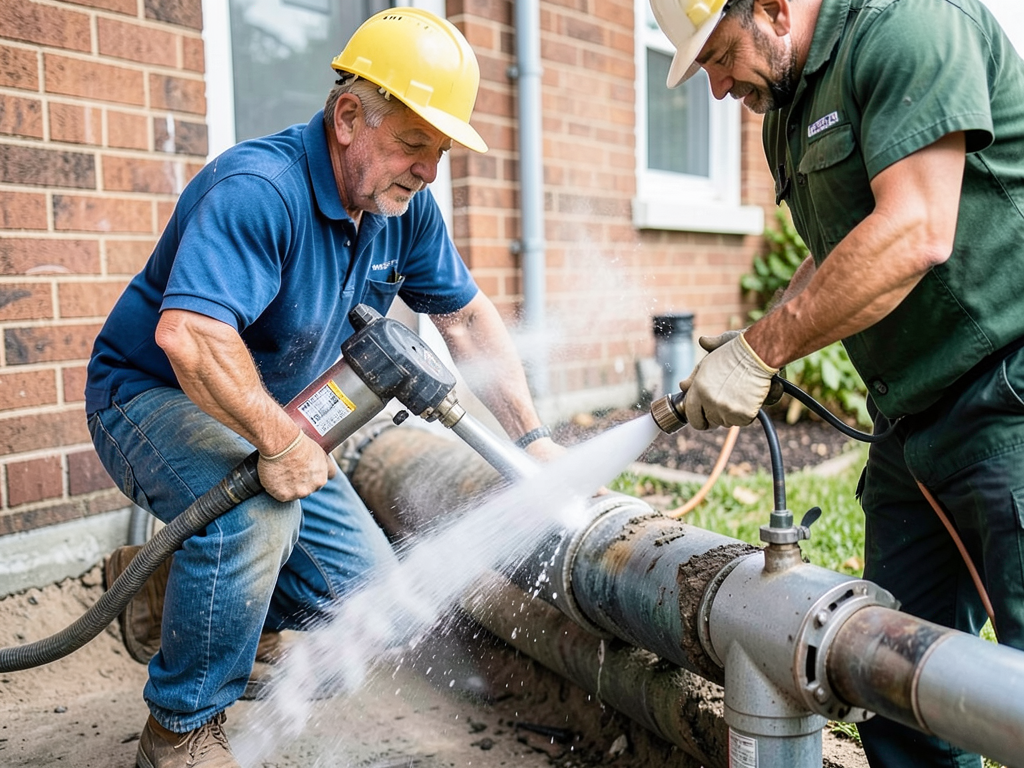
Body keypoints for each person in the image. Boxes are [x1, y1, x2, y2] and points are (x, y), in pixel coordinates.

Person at [85, 8, 559, 768]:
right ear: (348, 117)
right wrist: (276, 442)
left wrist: (534, 446)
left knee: (370, 601)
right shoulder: (259, 189)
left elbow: (465, 319)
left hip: (267, 413)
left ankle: (171, 580)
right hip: (147, 397)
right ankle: (178, 734)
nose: (428, 170)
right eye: (413, 144)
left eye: (438, 151)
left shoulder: (402, 209)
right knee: (255, 521)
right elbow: (189, 338)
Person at [650, 0, 1024, 766]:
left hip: (1008, 393)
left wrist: (762, 349)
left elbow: (917, 227)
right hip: (909, 421)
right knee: (885, 674)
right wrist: (760, 339)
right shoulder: (781, 114)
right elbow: (843, 249)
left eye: (720, 56)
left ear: (774, 9)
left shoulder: (910, 25)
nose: (719, 88)